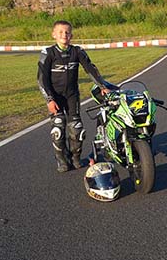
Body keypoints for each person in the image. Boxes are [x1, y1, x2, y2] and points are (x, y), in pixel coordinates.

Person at [37, 20, 111, 173]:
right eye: (61, 32)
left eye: (67, 32)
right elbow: (41, 79)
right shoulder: (48, 53)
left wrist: (102, 86)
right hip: (55, 96)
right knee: (58, 128)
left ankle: (75, 157)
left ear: (71, 35)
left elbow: (90, 69)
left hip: (72, 96)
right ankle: (62, 160)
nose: (64, 35)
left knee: (76, 129)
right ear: (54, 35)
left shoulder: (77, 51)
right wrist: (49, 100)